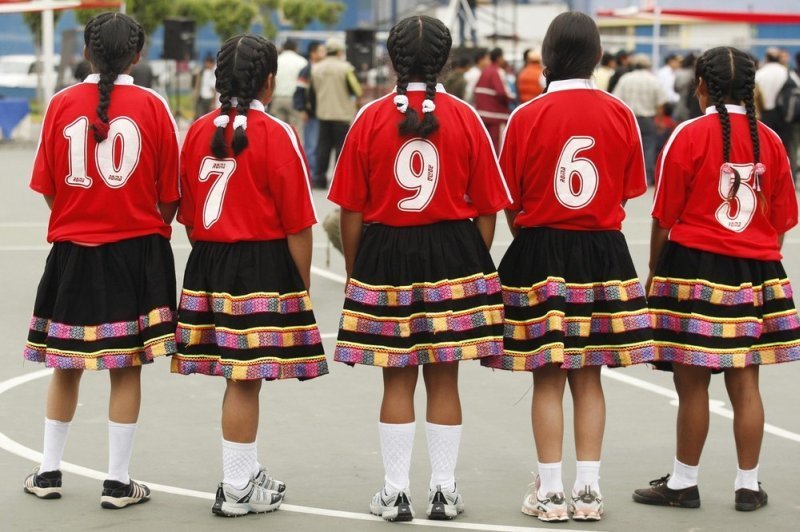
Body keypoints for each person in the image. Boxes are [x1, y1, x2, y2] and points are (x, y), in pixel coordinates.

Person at [328, 15, 511, 523]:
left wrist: (355, 268)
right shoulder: (467, 117)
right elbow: (489, 206)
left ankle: (394, 492)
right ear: (447, 61)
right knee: (446, 380)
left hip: (385, 252)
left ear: (390, 59)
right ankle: (445, 491)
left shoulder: (369, 118)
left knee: (396, 380)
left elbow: (350, 207)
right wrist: (469, 256)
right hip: (455, 248)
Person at [482, 11, 654, 523]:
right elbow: (627, 189)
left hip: (540, 246)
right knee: (590, 375)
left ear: (548, 55)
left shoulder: (526, 115)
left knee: (548, 375)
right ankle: (589, 490)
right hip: (602, 248)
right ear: (599, 56)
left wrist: (532, 234)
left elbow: (510, 196)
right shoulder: (618, 113)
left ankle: (551, 490)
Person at [633, 46, 800, 513]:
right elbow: (784, 216)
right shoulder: (770, 139)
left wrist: (654, 272)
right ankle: (748, 485)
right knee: (746, 383)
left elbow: (663, 214)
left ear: (700, 85)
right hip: (755, 269)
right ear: (749, 89)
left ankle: (684, 481)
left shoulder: (688, 134)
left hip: (693, 268)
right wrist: (760, 257)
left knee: (692, 383)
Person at [23, 12, 179, 509]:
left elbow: (48, 187)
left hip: (73, 252)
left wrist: (77, 217)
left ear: (87, 52)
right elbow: (170, 195)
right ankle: (117, 480)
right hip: (134, 252)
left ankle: (49, 471)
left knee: (64, 365)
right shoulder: (154, 106)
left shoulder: (60, 104)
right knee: (125, 366)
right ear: (138, 55)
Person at [173, 34, 328, 517]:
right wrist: (299, 291)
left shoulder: (198, 130)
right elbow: (298, 224)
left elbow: (191, 218)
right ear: (269, 81)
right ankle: (237, 486)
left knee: (240, 378)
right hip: (260, 264)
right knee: (243, 379)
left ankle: (246, 472)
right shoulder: (277, 133)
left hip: (210, 262)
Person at [311, 37, 361, 189]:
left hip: (323, 113)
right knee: (341, 149)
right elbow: (357, 89)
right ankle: (337, 181)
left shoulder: (316, 68)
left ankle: (319, 179)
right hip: (341, 114)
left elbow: (311, 92)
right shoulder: (346, 68)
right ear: (340, 51)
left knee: (322, 148)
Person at [613, 54, 668, 185]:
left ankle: (626, 177)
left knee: (628, 148)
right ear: (648, 65)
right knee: (648, 147)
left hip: (628, 119)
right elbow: (660, 103)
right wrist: (660, 121)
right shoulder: (653, 80)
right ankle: (647, 177)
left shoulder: (625, 79)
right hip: (648, 118)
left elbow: (617, 99)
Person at [755, 47, 800, 174]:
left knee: (765, 147)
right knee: (786, 147)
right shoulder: (787, 72)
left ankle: (767, 173)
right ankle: (788, 174)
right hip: (784, 116)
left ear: (767, 58)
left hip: (763, 115)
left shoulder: (759, 73)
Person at [294, 41, 326, 176]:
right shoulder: (307, 70)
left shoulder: (323, 69)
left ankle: (316, 172)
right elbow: (299, 91)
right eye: (321, 51)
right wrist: (302, 109)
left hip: (323, 113)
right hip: (312, 113)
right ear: (313, 53)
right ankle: (310, 173)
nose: (324, 54)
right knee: (311, 145)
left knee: (319, 145)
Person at [475, 47, 514, 151]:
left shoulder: (485, 71)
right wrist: (512, 98)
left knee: (485, 146)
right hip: (497, 115)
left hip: (482, 114)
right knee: (497, 148)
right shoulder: (498, 71)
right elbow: (502, 92)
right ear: (499, 58)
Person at [272, 39, 307, 135]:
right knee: (296, 132)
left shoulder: (276, 60)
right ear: (296, 48)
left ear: (283, 48)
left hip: (277, 99)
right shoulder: (302, 61)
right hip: (295, 100)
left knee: (279, 132)